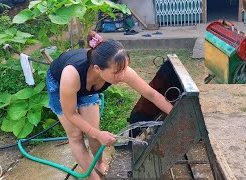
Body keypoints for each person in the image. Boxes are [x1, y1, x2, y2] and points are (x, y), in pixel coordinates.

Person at [46, 31, 173, 180]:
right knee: (76, 136)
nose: (122, 75)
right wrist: (98, 134)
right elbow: (70, 114)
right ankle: (94, 177)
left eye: (125, 68)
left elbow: (151, 94)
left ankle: (98, 164)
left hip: (88, 87)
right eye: (117, 72)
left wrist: (176, 114)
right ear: (97, 69)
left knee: (93, 133)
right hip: (60, 83)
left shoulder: (120, 69)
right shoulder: (71, 75)